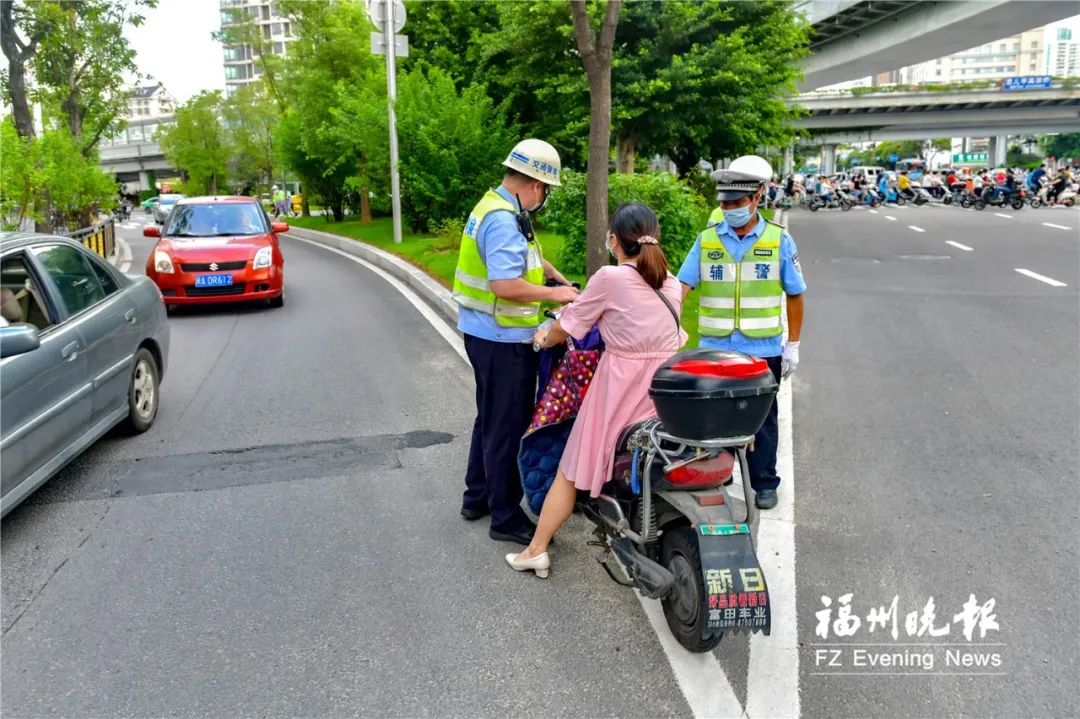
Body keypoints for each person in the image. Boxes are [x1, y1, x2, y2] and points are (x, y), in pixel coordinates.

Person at [505, 203, 686, 578]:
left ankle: (536, 549)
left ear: (614, 241)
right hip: (665, 388)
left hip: (620, 387)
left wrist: (543, 338)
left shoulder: (610, 277)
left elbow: (568, 325)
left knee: (572, 467)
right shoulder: (670, 281)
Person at [453, 138, 577, 546]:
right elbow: (505, 284)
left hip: (485, 334)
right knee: (506, 425)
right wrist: (556, 295)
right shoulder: (504, 218)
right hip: (503, 339)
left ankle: (478, 497)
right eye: (546, 191)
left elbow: (529, 258)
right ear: (537, 186)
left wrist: (556, 276)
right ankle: (505, 516)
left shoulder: (497, 206)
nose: (544, 198)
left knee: (489, 418)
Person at [676, 155, 806, 510]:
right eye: (724, 203)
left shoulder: (779, 241)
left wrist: (792, 345)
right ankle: (720, 474)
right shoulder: (706, 241)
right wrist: (668, 319)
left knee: (761, 419)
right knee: (714, 416)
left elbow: (795, 294)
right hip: (715, 348)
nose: (729, 209)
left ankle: (764, 481)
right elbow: (682, 286)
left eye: (736, 202)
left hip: (762, 348)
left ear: (757, 198)